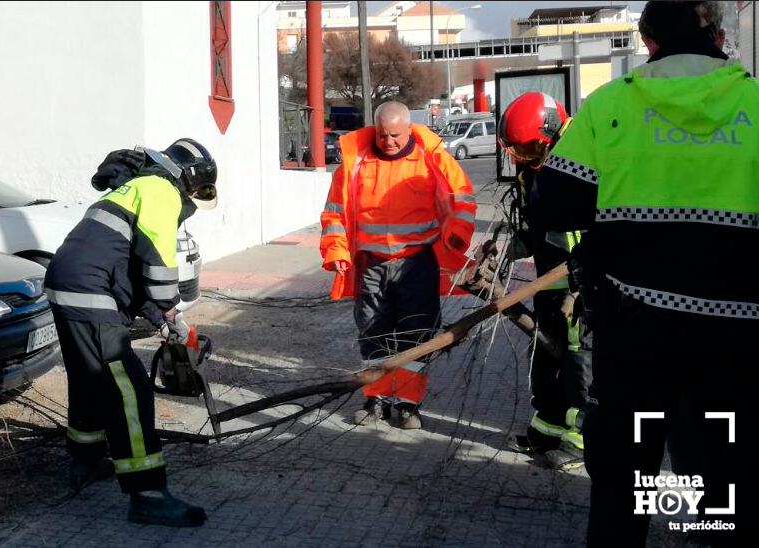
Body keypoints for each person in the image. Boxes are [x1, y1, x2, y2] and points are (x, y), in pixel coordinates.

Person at [531, 2, 755, 546]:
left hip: (637, 337)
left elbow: (552, 208)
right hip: (737, 340)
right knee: (728, 459)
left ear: (646, 39)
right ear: (720, 36)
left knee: (628, 468)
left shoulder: (611, 106)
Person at [43, 139, 218, 527]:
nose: (191, 204)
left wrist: (159, 317)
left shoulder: (135, 188)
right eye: (195, 193)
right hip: (90, 291)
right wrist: (172, 309)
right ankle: (148, 494)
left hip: (69, 284)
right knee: (129, 387)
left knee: (91, 380)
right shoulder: (161, 190)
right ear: (189, 181)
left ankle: (86, 460)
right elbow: (156, 263)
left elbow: (129, 268)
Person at [320, 101, 477, 430]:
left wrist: (457, 238)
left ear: (409, 129)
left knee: (416, 334)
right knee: (372, 332)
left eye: (395, 135)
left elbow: (462, 198)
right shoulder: (355, 161)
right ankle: (375, 397)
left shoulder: (431, 159)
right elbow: (334, 211)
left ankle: (407, 404)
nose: (388, 141)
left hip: (416, 262)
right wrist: (335, 251)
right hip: (371, 264)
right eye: (382, 134)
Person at [497, 91, 593, 470]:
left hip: (580, 281)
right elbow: (533, 220)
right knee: (544, 348)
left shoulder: (583, 159)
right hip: (548, 278)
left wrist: (581, 281)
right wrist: (516, 243)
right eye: (518, 152)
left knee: (578, 355)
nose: (525, 159)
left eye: (531, 150)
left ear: (552, 132)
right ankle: (547, 427)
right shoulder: (532, 170)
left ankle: (582, 438)